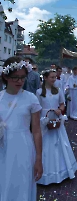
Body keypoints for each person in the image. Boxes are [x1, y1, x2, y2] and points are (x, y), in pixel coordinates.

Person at [0, 56, 43, 201]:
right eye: (15, 78)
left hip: (24, 146)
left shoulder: (31, 99)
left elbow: (36, 131)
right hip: (3, 147)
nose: (20, 81)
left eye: (23, 78)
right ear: (5, 76)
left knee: (23, 183)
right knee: (4, 183)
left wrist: (38, 158)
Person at [36, 70, 77, 185]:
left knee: (58, 143)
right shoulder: (39, 92)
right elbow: (37, 108)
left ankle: (62, 170)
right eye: (51, 77)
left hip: (56, 118)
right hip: (44, 119)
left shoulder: (58, 91)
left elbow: (62, 103)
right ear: (45, 78)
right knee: (45, 144)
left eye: (55, 77)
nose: (54, 79)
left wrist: (60, 110)